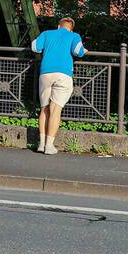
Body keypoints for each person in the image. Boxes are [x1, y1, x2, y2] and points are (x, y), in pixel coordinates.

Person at [30, 16, 86, 154]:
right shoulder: (74, 36)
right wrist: (85, 51)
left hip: (45, 73)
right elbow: (78, 51)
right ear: (71, 28)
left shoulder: (47, 33)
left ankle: (41, 144)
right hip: (63, 74)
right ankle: (49, 146)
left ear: (58, 26)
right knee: (55, 110)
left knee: (44, 109)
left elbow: (35, 47)